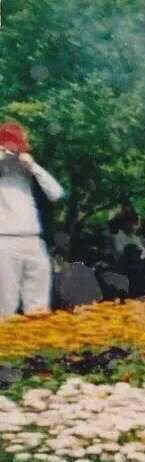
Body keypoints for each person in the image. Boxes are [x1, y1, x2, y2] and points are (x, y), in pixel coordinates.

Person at [0, 122, 63, 316]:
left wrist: (33, 166)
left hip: (34, 240)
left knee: (39, 306)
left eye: (16, 148)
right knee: (5, 305)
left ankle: (38, 335)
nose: (12, 153)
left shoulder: (30, 173)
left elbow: (57, 193)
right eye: (7, 148)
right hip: (5, 241)